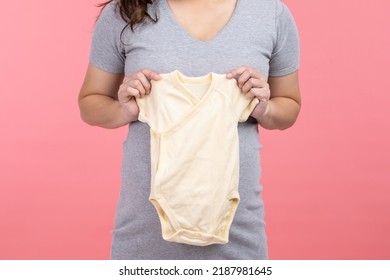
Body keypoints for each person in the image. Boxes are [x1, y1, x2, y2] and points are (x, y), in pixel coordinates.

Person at [78, 0, 301, 259]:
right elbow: (90, 103)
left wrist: (264, 109)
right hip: (145, 231)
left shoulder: (270, 14)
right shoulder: (123, 11)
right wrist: (124, 110)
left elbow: (289, 107)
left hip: (237, 229)